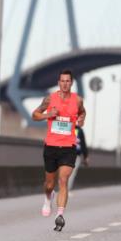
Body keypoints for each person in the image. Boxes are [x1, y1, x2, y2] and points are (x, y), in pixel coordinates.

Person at [32, 69, 86, 232]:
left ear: (71, 83)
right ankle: (48, 198)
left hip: (68, 147)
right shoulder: (50, 99)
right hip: (51, 147)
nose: (65, 84)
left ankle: (60, 215)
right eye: (62, 81)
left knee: (63, 180)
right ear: (58, 83)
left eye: (67, 81)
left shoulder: (77, 100)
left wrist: (82, 118)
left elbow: (82, 112)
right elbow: (35, 115)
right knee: (49, 184)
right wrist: (48, 115)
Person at [67, 123, 89, 192]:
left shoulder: (79, 130)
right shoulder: (67, 127)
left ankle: (66, 190)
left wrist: (86, 156)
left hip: (75, 155)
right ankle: (65, 189)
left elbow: (83, 144)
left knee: (71, 173)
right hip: (66, 154)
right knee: (67, 173)